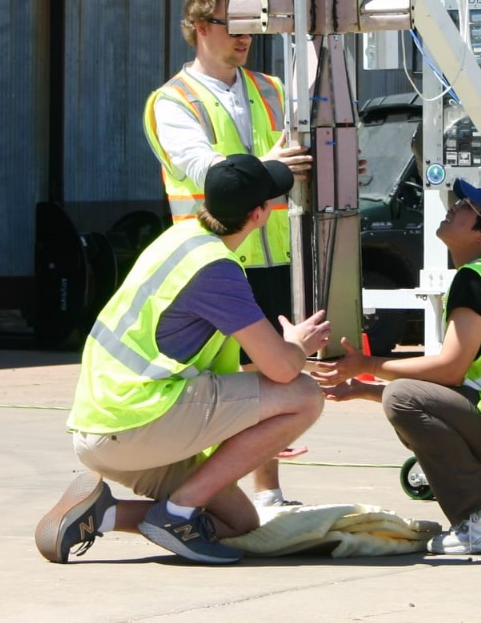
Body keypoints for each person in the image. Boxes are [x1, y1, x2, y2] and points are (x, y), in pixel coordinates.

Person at [34, 155, 330, 565]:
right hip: (137, 423)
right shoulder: (216, 270)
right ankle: (176, 514)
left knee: (238, 524)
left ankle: (100, 515)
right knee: (304, 394)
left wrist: (256, 433)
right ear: (259, 214)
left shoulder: (180, 238)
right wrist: (298, 343)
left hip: (107, 424)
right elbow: (281, 368)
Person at [313, 180, 481, 555]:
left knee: (404, 399)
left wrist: (367, 365)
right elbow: (458, 389)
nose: (455, 205)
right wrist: (364, 389)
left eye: (468, 204)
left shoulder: (475, 278)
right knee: (404, 396)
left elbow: (450, 371)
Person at [144, 0, 314, 508]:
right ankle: (206, 494)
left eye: (249, 26)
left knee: (268, 376)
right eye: (231, 25)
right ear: (198, 27)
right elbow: (203, 167)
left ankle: (265, 494)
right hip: (210, 261)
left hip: (275, 253)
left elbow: (297, 155)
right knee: (219, 383)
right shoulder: (171, 101)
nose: (244, 37)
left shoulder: (271, 89)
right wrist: (273, 168)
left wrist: (325, 167)